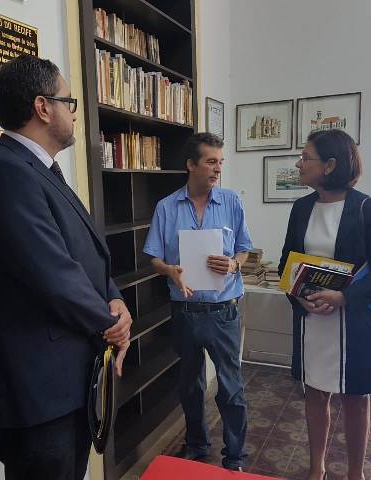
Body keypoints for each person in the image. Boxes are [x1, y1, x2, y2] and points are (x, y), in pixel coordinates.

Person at [0, 54, 132, 480]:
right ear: (43, 107)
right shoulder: (5, 173)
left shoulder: (37, 170)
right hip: (38, 388)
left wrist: (113, 297)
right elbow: (53, 275)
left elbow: (83, 256)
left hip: (65, 379)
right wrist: (111, 324)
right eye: (68, 102)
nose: (73, 114)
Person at [278, 129, 371, 480]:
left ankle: (354, 474)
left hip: (353, 321)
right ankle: (316, 469)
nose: (299, 164)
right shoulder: (301, 208)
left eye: (305, 157)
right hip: (312, 321)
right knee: (315, 394)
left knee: (355, 399)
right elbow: (287, 263)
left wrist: (344, 297)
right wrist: (299, 296)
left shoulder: (368, 208)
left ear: (330, 165)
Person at [143, 132, 253, 471]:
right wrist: (169, 270)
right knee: (190, 385)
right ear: (191, 165)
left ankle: (234, 456)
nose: (218, 169)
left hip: (224, 313)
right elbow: (154, 258)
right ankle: (196, 443)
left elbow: (245, 249)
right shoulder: (166, 207)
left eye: (221, 162)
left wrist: (234, 264)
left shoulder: (231, 202)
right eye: (211, 162)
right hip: (185, 312)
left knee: (231, 388)